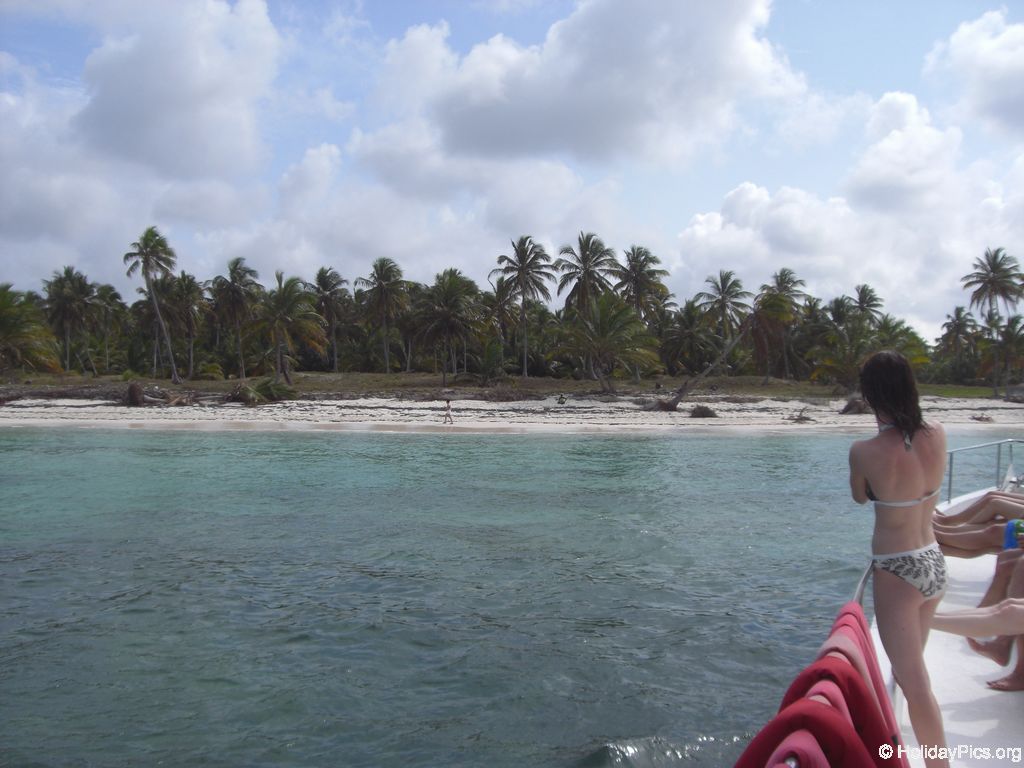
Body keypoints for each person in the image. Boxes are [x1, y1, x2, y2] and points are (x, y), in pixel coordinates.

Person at [849, 350, 949, 767]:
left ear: (870, 394)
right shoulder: (937, 433)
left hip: (898, 569)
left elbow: (859, 496)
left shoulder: (864, 450)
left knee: (915, 684)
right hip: (933, 560)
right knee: (914, 676)